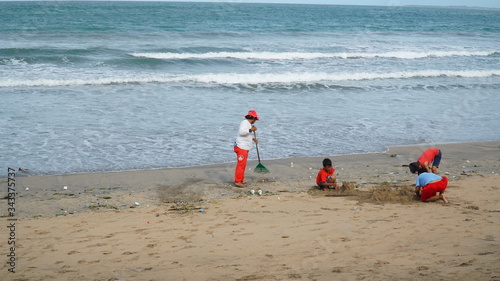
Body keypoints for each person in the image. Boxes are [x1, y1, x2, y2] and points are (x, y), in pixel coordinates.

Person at [233, 110, 259, 187]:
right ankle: (237, 181)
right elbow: (242, 132)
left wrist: (252, 138)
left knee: (243, 164)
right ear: (253, 118)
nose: (255, 121)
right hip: (241, 147)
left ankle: (241, 180)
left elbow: (244, 135)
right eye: (255, 119)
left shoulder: (248, 124)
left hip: (243, 146)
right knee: (241, 164)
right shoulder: (245, 123)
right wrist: (251, 130)